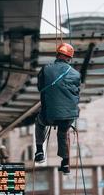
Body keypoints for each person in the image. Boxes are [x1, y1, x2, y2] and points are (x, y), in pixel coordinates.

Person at [34, 43, 81, 175]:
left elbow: (40, 88)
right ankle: (65, 163)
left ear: (57, 55)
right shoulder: (76, 74)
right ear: (69, 58)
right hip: (69, 115)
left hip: (50, 114)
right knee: (63, 133)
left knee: (39, 122)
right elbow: (77, 93)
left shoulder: (46, 69)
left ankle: (39, 152)